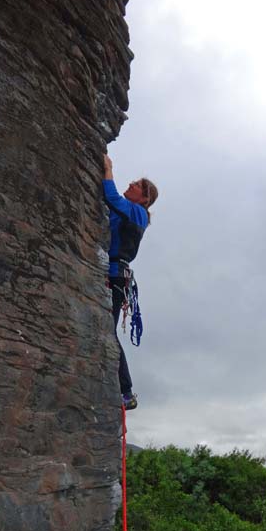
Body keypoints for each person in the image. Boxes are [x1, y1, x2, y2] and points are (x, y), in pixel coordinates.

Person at [102, 153, 158, 410]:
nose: (131, 184)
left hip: (115, 274)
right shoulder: (127, 213)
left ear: (144, 198)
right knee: (106, 330)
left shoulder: (138, 213)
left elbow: (112, 199)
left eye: (136, 184)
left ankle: (126, 391)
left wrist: (108, 170)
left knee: (108, 331)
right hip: (111, 271)